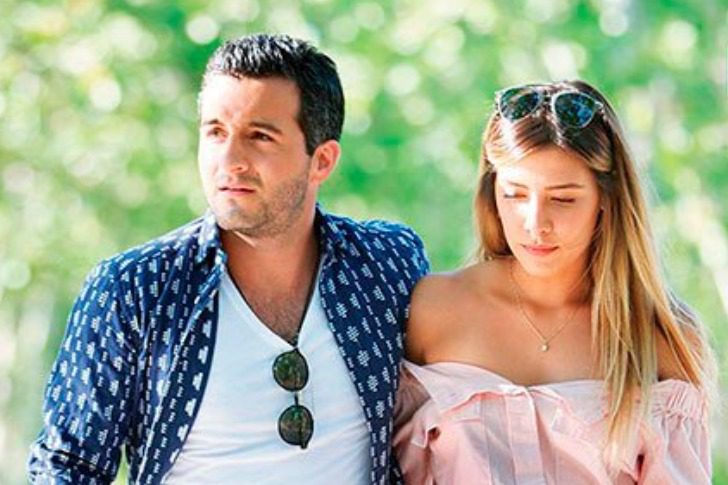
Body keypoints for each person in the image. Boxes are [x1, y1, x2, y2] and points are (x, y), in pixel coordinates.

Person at [28, 33, 429, 484]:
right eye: (215, 132)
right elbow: (67, 466)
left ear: (322, 161)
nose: (230, 159)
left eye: (260, 137)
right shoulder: (135, 289)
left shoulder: (385, 264)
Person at [394, 80, 716, 484]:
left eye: (563, 199)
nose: (536, 224)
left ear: (606, 199)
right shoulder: (434, 308)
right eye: (515, 195)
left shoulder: (661, 337)